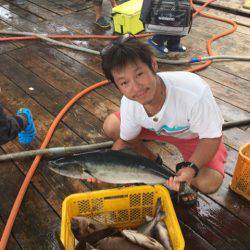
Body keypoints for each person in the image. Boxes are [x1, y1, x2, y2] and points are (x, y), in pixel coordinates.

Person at [100, 34, 227, 206]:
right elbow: (126, 141)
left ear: (153, 64)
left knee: (208, 182)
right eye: (124, 83)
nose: (136, 88)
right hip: (154, 128)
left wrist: (192, 168)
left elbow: (212, 137)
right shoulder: (130, 102)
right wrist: (103, 169)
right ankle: (152, 159)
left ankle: (186, 178)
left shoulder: (194, 93)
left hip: (192, 135)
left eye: (139, 74)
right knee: (112, 126)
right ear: (117, 86)